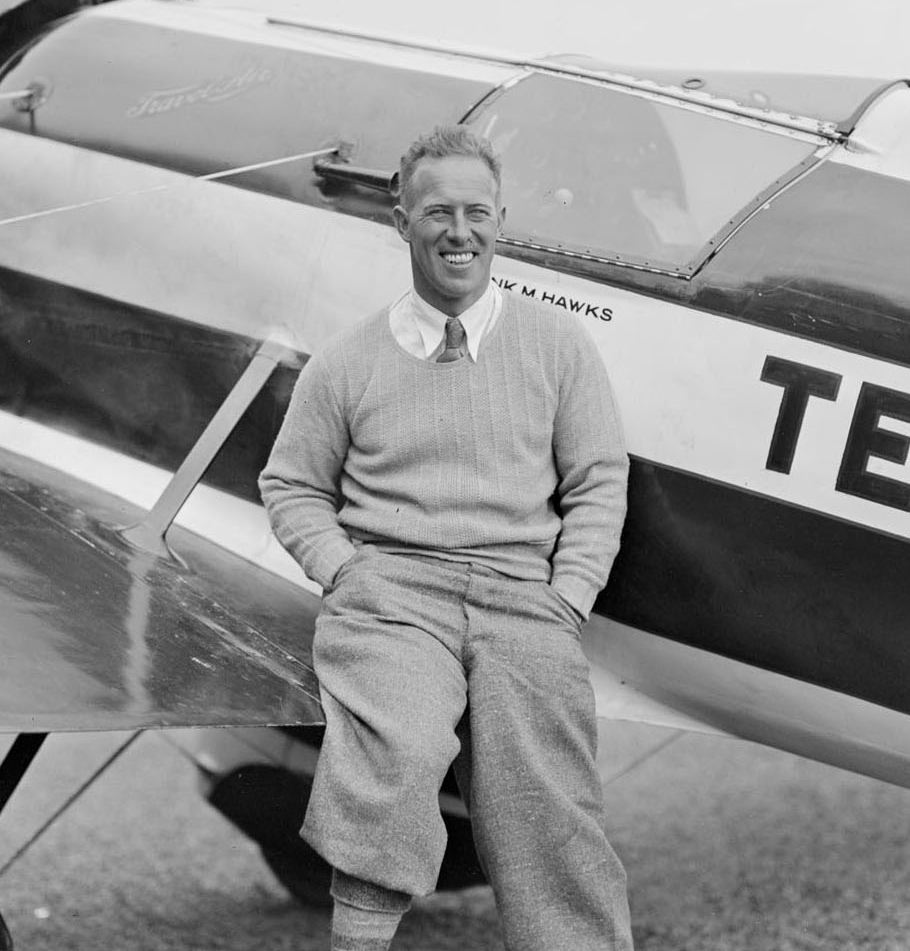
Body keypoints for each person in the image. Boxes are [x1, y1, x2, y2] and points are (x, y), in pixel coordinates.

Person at [259, 125, 633, 951]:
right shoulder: (347, 362)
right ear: (402, 222)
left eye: (476, 212)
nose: (457, 231)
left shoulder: (559, 346)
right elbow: (290, 484)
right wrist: (346, 573)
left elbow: (600, 479)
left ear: (502, 220)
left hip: (522, 600)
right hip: (392, 597)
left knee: (548, 802)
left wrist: (567, 596)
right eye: (436, 212)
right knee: (398, 751)